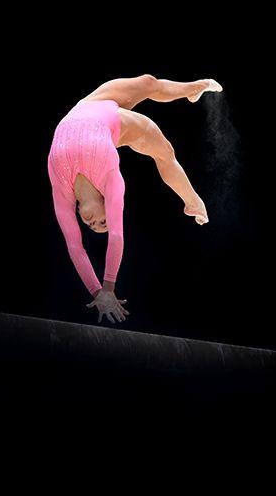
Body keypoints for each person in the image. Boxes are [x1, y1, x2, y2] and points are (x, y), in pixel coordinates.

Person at [47, 74, 222, 323]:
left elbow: (75, 247)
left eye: (92, 225)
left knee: (148, 82)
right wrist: (107, 288)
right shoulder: (110, 178)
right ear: (107, 203)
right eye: (102, 223)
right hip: (114, 123)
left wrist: (98, 291)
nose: (93, 225)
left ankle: (192, 90)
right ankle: (192, 200)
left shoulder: (61, 189)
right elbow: (117, 236)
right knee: (164, 151)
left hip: (87, 106)